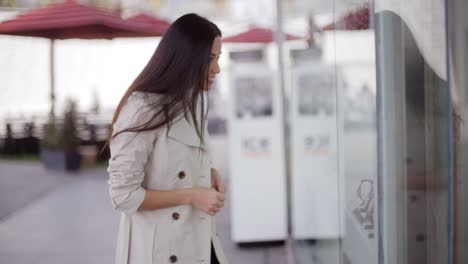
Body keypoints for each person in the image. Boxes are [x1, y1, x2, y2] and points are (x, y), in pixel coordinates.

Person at [105, 13, 228, 264]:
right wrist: (192, 195)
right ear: (186, 58)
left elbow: (173, 162)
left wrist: (205, 171)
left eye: (218, 58)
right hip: (162, 251)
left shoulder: (190, 101)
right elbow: (123, 196)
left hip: (198, 241)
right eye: (210, 59)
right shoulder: (141, 108)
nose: (217, 68)